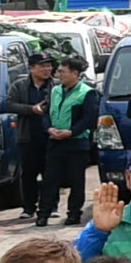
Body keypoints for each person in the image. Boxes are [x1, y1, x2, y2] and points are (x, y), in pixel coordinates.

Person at [38, 57, 101, 228]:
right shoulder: (55, 90)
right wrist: (49, 128)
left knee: (76, 181)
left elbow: (89, 118)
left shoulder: (87, 92)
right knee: (50, 179)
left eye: (62, 71)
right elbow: (46, 113)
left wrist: (71, 132)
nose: (59, 75)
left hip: (76, 143)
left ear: (75, 73)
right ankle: (43, 214)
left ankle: (73, 214)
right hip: (54, 141)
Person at [4, 55, 56, 223]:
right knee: (28, 174)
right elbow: (10, 105)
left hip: (51, 136)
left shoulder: (56, 86)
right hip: (28, 136)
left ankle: (51, 206)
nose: (47, 69)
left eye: (49, 66)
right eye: (42, 66)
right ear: (32, 68)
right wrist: (31, 109)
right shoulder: (19, 86)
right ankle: (28, 207)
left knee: (51, 173)